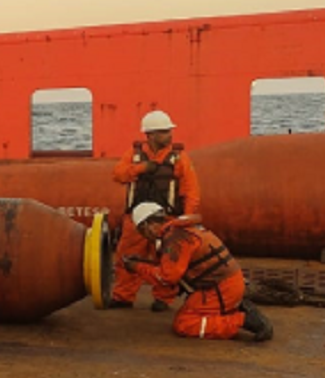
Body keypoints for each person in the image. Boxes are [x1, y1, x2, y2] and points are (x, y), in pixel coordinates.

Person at [124, 202, 273, 342]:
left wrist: (136, 267)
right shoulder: (180, 231)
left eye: (141, 231)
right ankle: (234, 309)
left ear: (148, 225)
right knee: (189, 313)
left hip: (220, 289)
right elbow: (171, 267)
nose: (144, 236)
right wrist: (143, 263)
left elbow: (167, 277)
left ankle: (243, 321)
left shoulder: (175, 239)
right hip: (225, 284)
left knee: (185, 324)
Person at [108, 110, 201, 311]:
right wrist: (141, 168)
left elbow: (191, 190)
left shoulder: (179, 157)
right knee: (127, 256)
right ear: (150, 135)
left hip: (166, 218)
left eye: (169, 131)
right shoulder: (134, 155)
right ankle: (123, 296)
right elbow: (118, 175)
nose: (170, 135)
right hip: (136, 219)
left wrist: (186, 219)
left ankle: (163, 299)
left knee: (166, 257)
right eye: (164, 131)